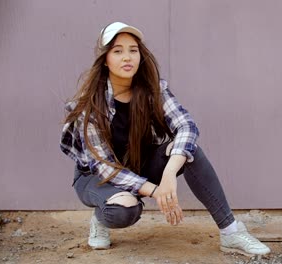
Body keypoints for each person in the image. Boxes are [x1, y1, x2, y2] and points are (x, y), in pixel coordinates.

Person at [60, 21, 270, 256]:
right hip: (96, 177)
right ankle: (102, 213)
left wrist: (169, 173)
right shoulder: (90, 106)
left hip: (137, 164)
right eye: (118, 51)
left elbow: (186, 126)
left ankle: (231, 233)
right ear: (105, 59)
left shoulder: (153, 91)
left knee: (188, 152)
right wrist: (155, 190)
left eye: (133, 50)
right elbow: (105, 168)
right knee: (123, 211)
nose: (127, 57)